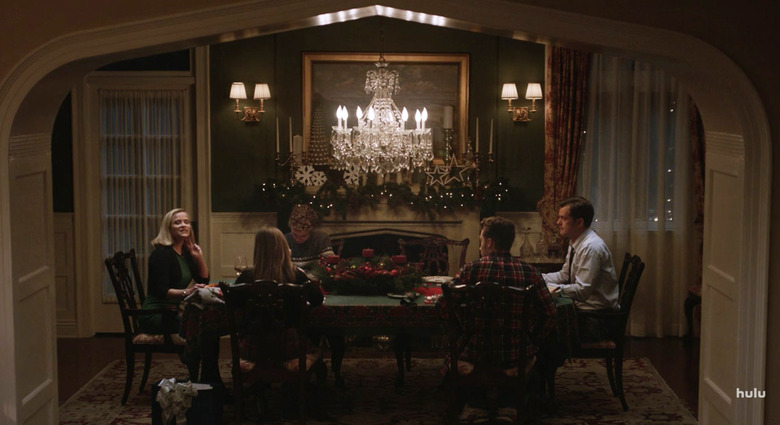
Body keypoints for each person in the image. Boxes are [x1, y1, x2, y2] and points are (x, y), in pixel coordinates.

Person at [446, 216, 557, 424]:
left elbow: (444, 307)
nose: (480, 246)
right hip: (516, 356)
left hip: (474, 355)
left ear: (489, 242)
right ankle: (509, 404)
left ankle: (475, 403)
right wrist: (532, 340)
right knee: (539, 356)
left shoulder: (471, 270)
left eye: (480, 241)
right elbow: (550, 314)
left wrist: (464, 327)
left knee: (452, 354)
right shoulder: (531, 273)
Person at [138, 208, 221, 384]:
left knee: (209, 327)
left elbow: (203, 280)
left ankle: (209, 380)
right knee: (204, 329)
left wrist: (199, 257)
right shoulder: (161, 254)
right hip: (156, 314)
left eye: (186, 221)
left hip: (172, 310)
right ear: (168, 227)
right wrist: (188, 292)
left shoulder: (184, 251)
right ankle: (205, 381)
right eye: (178, 222)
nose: (183, 225)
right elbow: (162, 291)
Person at [542, 196, 619, 340]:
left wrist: (548, 287)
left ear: (579, 222)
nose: (558, 223)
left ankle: (544, 360)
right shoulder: (576, 241)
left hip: (597, 319)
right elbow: (564, 275)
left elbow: (583, 291)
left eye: (563, 218)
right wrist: (539, 277)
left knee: (543, 329)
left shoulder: (591, 247)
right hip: (584, 312)